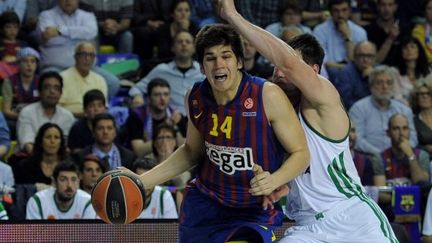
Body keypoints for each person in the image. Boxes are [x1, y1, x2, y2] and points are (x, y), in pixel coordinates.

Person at [214, 0, 397, 242]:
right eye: (275, 66)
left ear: (313, 71)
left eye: (285, 67)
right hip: (307, 227)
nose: (278, 72)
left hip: (353, 217)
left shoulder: (324, 101)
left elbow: (289, 62)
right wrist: (281, 185)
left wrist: (233, 16)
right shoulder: (273, 116)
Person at [120, 21, 309, 243]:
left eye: (226, 56)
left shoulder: (267, 95)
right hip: (205, 206)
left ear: (239, 61)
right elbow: (191, 151)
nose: (218, 64)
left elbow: (301, 153)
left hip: (252, 209)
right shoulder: (196, 97)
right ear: (201, 67)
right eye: (210, 58)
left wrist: (275, 179)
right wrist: (142, 181)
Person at [129, 30, 205, 114]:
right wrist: (137, 96)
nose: (184, 44)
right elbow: (136, 88)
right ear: (173, 48)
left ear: (194, 48)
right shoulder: (162, 70)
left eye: (188, 42)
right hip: (171, 121)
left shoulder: (203, 71)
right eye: (180, 42)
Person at [349, 65, 418, 155]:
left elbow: (413, 139)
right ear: (371, 86)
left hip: (400, 156)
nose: (384, 87)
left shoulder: (404, 110)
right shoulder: (358, 108)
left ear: (393, 86)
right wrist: (382, 156)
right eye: (379, 83)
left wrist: (399, 152)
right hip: (370, 157)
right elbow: (356, 139)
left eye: (389, 83)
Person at [16, 71, 75, 154]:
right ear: (40, 91)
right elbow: (28, 145)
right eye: (47, 87)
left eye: (56, 88)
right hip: (31, 159)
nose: (52, 91)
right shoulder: (27, 112)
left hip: (60, 162)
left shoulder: (67, 116)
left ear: (61, 93)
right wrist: (45, 162)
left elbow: (66, 146)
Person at [126, 78, 186, 157]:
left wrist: (174, 127)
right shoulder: (137, 116)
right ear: (149, 98)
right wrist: (163, 138)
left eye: (166, 94)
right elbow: (139, 151)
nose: (162, 98)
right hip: (146, 160)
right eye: (157, 95)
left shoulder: (175, 115)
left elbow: (184, 147)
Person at [26, 161, 97, 219]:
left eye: (73, 180)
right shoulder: (37, 201)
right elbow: (34, 235)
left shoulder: (88, 202)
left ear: (78, 181)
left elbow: (88, 235)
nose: (69, 185)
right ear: (54, 182)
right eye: (63, 180)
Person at [313, 0, 368, 69]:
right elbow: (323, 62)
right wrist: (347, 69)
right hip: (330, 71)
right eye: (336, 11)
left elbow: (357, 61)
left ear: (350, 11)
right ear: (330, 12)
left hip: (353, 72)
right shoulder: (319, 30)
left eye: (344, 10)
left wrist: (348, 38)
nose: (340, 15)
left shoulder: (360, 32)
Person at [13, 123, 68, 191]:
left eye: (56, 137)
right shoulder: (25, 166)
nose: (52, 141)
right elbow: (20, 191)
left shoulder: (68, 167)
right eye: (48, 137)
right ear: (40, 142)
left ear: (61, 143)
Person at [59, 41, 108, 117]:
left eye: (91, 55)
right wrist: (82, 115)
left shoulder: (100, 80)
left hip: (94, 121)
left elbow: (103, 108)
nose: (87, 58)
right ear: (75, 57)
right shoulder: (62, 77)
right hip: (69, 119)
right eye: (83, 54)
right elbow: (57, 108)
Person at [68, 89, 107, 154]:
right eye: (92, 106)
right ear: (85, 110)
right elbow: (76, 153)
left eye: (100, 106)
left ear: (105, 109)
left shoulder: (110, 126)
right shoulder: (77, 128)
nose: (96, 109)